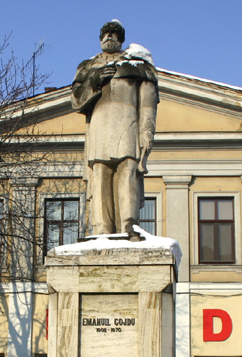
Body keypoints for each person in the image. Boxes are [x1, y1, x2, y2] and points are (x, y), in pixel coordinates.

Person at [70, 20, 159, 239]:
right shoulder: (88, 66)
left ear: (121, 38)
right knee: (101, 173)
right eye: (105, 33)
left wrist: (146, 131)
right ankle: (102, 228)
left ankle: (129, 225)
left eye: (114, 33)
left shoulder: (137, 65)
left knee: (127, 171)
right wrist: (93, 82)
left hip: (127, 125)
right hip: (99, 126)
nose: (109, 36)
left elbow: (148, 103)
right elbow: (76, 100)